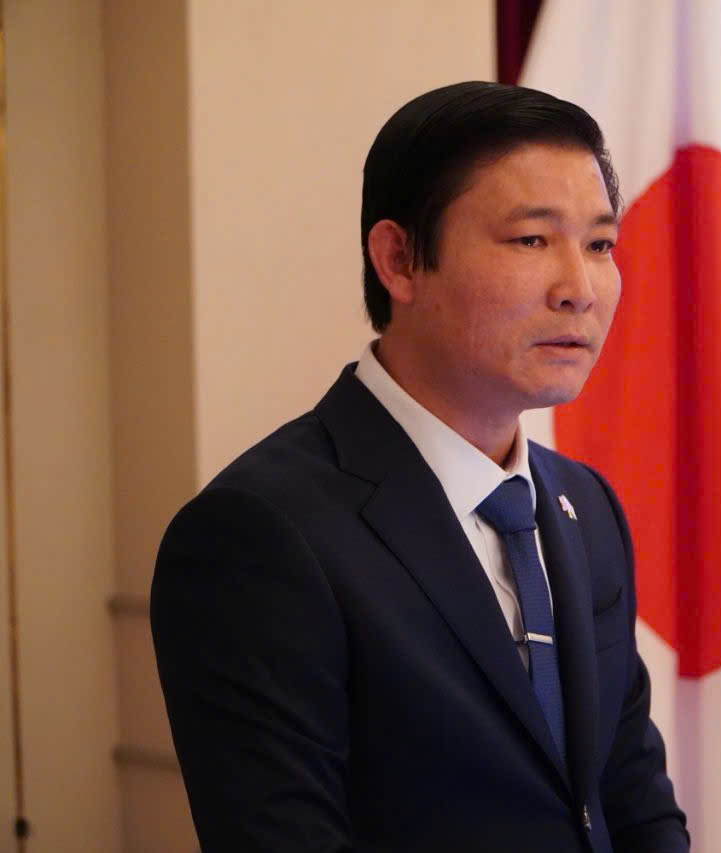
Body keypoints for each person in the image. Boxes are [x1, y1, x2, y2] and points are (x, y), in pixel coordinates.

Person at [151, 81, 689, 853]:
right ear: (399, 260)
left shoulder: (586, 506)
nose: (579, 289)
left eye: (600, 244)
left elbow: (633, 800)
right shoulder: (259, 533)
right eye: (531, 240)